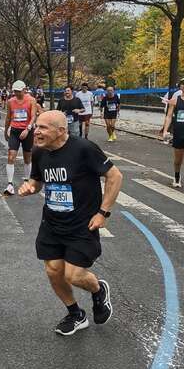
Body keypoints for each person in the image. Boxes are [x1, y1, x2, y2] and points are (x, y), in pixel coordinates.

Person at [18, 110, 120, 336]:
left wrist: (103, 213)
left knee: (73, 276)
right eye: (37, 126)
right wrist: (30, 188)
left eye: (43, 127)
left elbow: (115, 177)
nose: (37, 131)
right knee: (54, 271)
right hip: (52, 223)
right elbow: (37, 181)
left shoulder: (83, 149)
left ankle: (98, 289)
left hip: (82, 225)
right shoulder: (39, 152)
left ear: (61, 131)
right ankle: (75, 314)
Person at [3, 80, 39, 196]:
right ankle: (10, 184)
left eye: (19, 91)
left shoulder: (31, 100)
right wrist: (5, 130)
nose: (17, 93)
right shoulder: (10, 101)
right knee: (11, 156)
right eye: (15, 91)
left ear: (24, 90)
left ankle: (27, 181)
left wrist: (28, 129)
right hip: (14, 131)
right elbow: (8, 117)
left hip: (27, 131)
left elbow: (33, 116)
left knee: (27, 158)